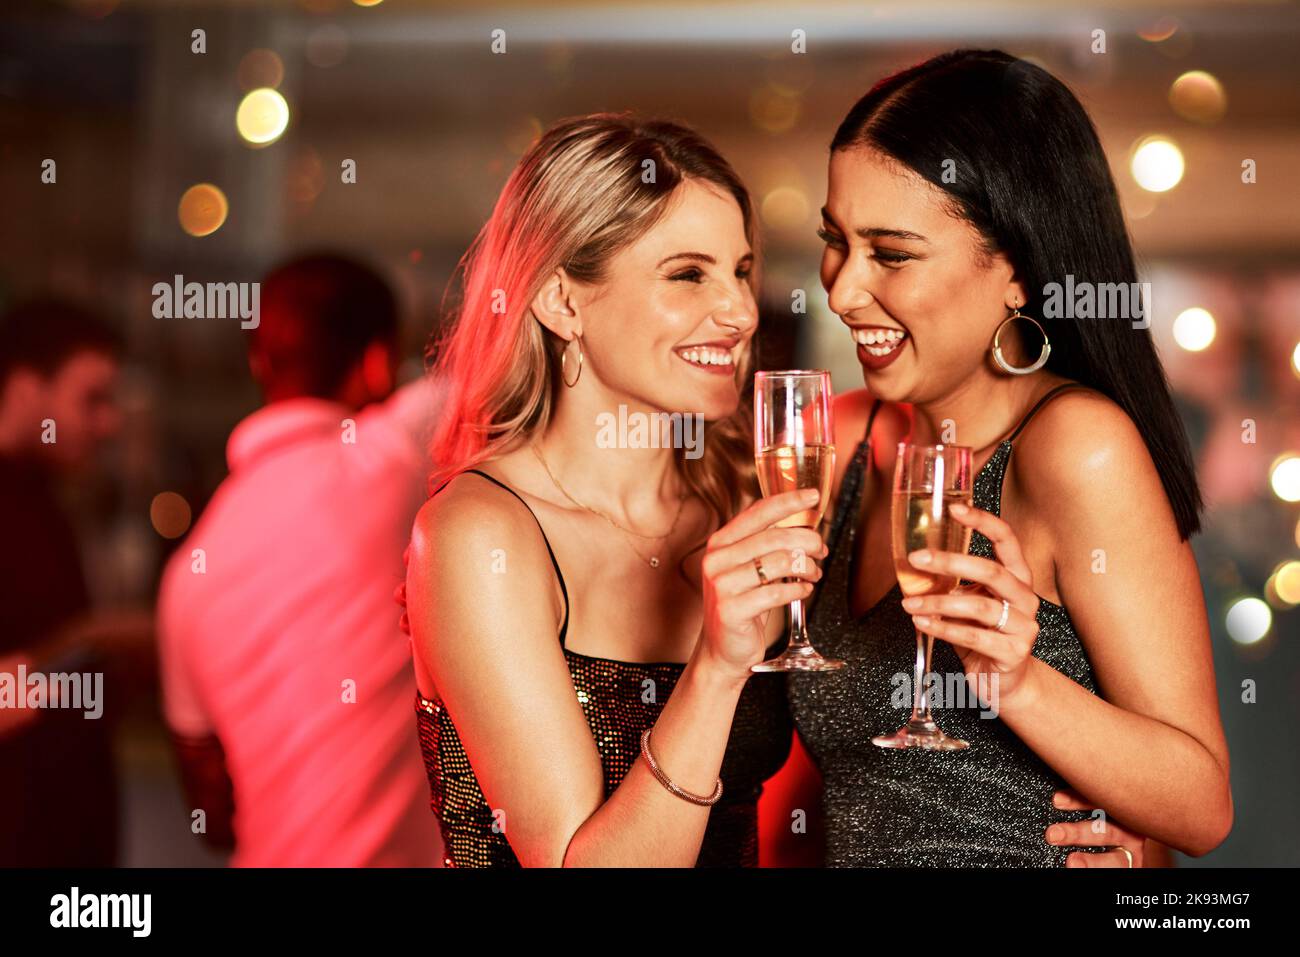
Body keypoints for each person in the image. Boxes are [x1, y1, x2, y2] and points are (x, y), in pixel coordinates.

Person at [401, 113, 1147, 868]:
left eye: (740, 270)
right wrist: (717, 668)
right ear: (563, 302)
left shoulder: (753, 496)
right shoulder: (481, 535)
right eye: (688, 273)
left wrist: (1078, 823)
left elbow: (850, 761)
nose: (737, 312)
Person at [790, 49, 1232, 866]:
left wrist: (1019, 684)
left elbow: (1200, 804)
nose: (843, 290)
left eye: (891, 253)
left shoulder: (1075, 446)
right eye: (835, 240)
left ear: (1019, 273)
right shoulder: (842, 439)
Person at [157, 253, 443, 867]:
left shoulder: (189, 568)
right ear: (373, 362)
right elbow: (501, 364)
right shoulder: (388, 462)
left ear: (259, 362)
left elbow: (211, 810)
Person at [0, 299, 124, 866]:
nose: (109, 423)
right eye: (91, 399)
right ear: (27, 389)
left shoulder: (42, 501)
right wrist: (97, 637)